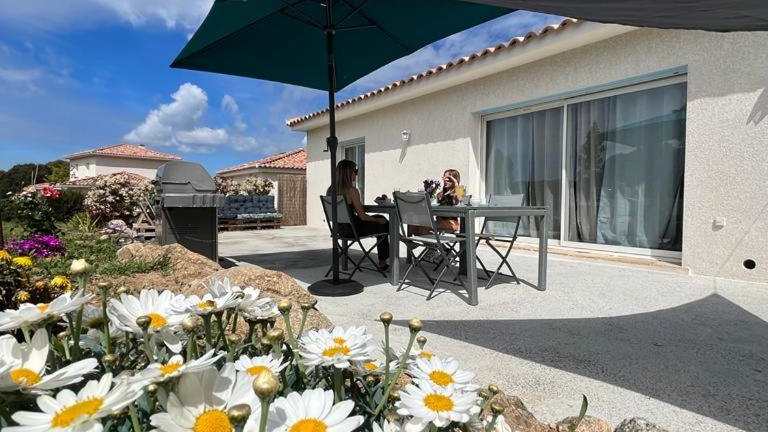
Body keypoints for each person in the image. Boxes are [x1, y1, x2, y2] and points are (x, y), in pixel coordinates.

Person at [327, 159, 389, 271]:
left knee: (380, 219)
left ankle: (402, 241)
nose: (356, 174)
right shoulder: (352, 191)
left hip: (338, 230)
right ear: (348, 173)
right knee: (384, 222)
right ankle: (383, 261)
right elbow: (362, 216)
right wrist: (378, 221)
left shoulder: (330, 190)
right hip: (353, 230)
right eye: (355, 171)